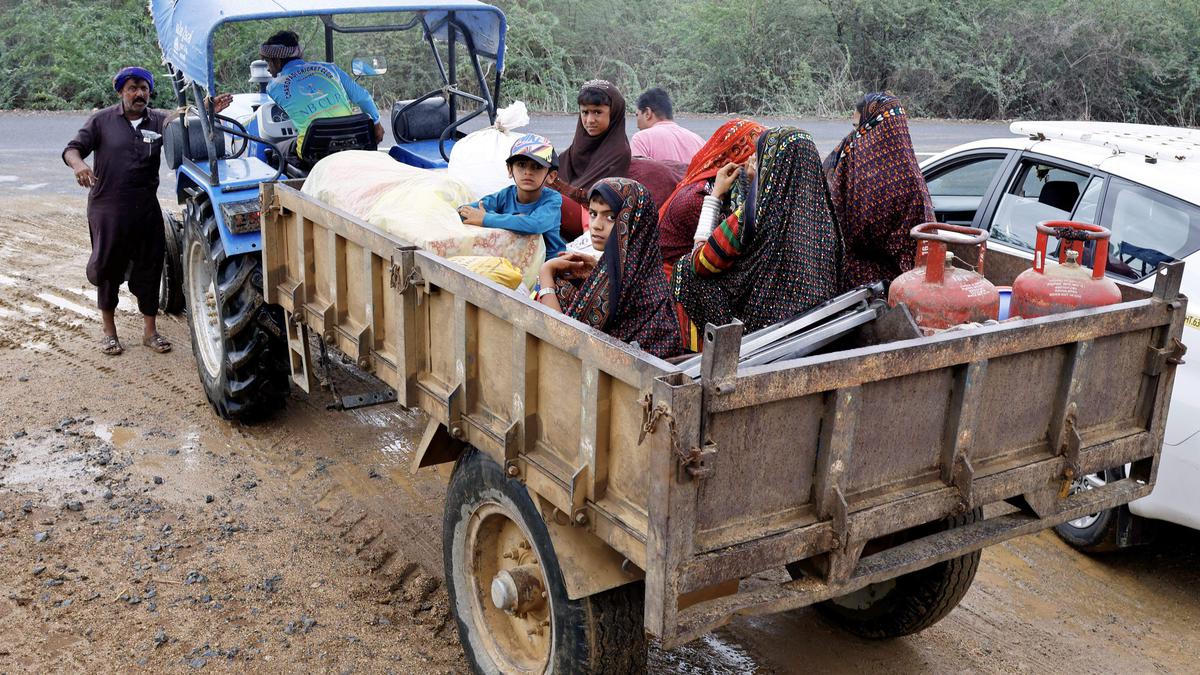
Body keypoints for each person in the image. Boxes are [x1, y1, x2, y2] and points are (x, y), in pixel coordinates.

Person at [61, 67, 216, 356]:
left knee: (150, 267)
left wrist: (206, 109)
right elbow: (72, 149)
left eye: (144, 88)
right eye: (132, 88)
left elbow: (182, 121)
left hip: (145, 208)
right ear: (121, 91)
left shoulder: (157, 121)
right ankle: (109, 333)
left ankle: (150, 332)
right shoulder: (101, 121)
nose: (139, 94)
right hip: (107, 209)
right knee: (108, 269)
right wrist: (79, 165)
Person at [672, 127, 844, 334]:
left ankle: (704, 351)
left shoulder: (753, 215)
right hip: (816, 322)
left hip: (762, 328)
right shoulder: (826, 219)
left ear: (770, 163)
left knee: (685, 270)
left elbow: (702, 263)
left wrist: (715, 195)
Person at [537, 178, 683, 359]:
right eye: (593, 213)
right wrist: (596, 270)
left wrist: (546, 273)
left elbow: (562, 338)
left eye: (611, 217)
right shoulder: (644, 266)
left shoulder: (612, 285)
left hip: (625, 379)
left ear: (634, 223)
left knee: (557, 288)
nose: (597, 225)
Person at [823, 92, 934, 289]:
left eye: (860, 128)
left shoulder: (860, 173)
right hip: (909, 284)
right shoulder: (913, 177)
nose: (855, 136)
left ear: (875, 127)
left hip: (861, 289)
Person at [260, 30, 385, 162]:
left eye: (268, 62)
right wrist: (376, 123)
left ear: (277, 61)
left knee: (272, 152)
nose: (268, 69)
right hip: (353, 143)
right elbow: (363, 97)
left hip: (313, 153)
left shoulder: (273, 87)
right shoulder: (331, 68)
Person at [658, 118, 766, 265]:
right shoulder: (699, 197)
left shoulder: (713, 186)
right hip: (674, 278)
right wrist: (751, 186)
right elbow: (724, 252)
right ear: (736, 164)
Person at [457, 133, 565, 258]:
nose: (528, 172)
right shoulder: (505, 195)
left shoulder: (552, 200)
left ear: (551, 176)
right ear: (509, 170)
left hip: (550, 264)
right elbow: (466, 212)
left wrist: (486, 219)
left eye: (537, 167)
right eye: (521, 165)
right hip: (511, 261)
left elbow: (534, 224)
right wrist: (480, 216)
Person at [550, 79, 632, 238]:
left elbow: (594, 199)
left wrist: (554, 185)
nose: (589, 120)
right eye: (585, 112)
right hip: (565, 210)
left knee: (546, 197)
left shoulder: (618, 151)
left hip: (592, 219)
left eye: (597, 112)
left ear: (613, 112)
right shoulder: (580, 143)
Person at [631, 87, 705, 164]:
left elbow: (637, 174)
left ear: (647, 113)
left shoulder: (641, 139)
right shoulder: (699, 141)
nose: (637, 125)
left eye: (637, 115)